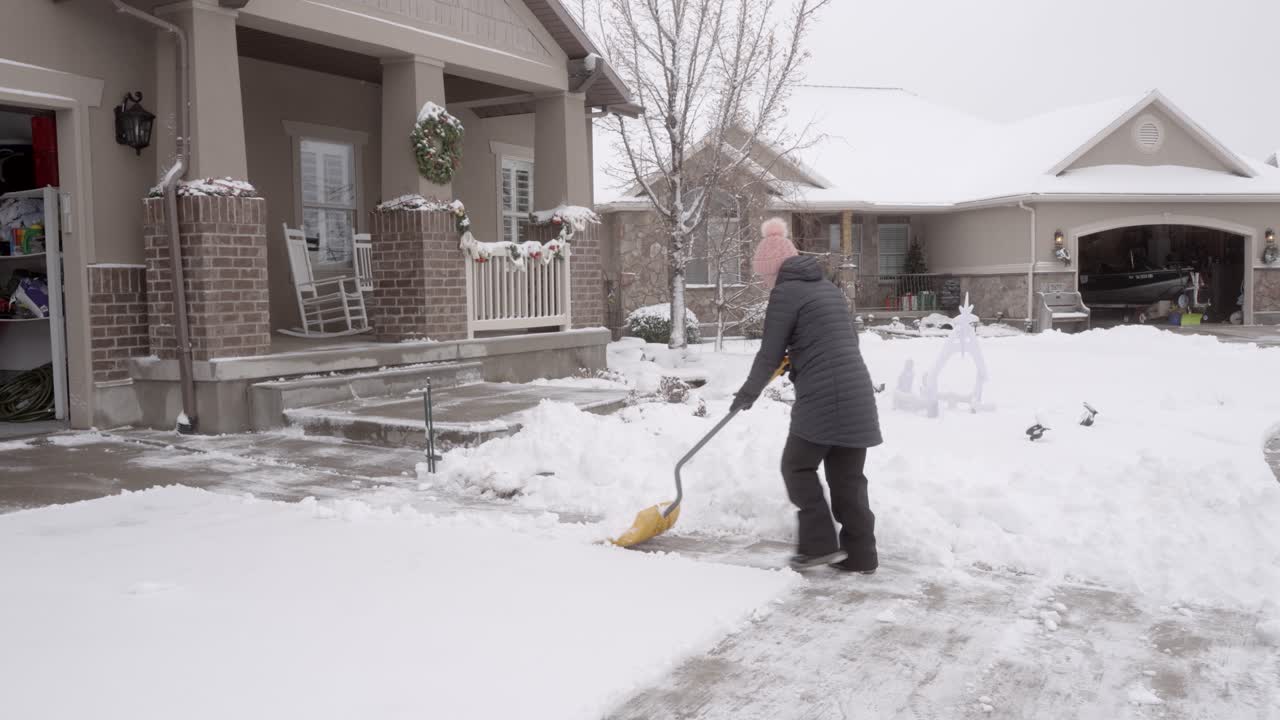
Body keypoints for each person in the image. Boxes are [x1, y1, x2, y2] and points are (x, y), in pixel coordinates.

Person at [731, 217, 883, 573]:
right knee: (847, 480)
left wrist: (747, 394)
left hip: (823, 397)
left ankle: (818, 547)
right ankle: (861, 556)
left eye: (765, 277)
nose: (765, 284)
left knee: (796, 466)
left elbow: (769, 354)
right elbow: (842, 341)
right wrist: (799, 357)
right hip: (858, 394)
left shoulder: (785, 293)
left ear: (774, 271)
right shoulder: (828, 289)